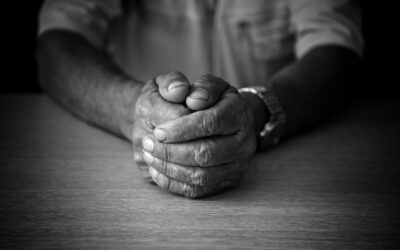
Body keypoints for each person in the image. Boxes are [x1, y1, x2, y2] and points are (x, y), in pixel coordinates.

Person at [37, 0, 363, 198]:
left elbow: (338, 48)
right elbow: (58, 41)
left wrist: (259, 109)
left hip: (278, 166)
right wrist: (132, 108)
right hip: (129, 172)